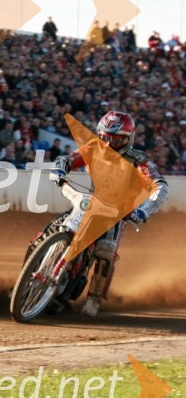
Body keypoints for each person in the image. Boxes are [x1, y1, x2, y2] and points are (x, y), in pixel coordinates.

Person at [50, 111, 169, 317]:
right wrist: (60, 168)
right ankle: (31, 270)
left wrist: (143, 210)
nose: (108, 143)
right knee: (52, 230)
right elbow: (69, 158)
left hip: (117, 214)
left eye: (115, 139)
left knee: (105, 251)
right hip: (89, 203)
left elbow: (160, 186)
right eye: (105, 137)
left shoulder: (138, 160)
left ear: (128, 139)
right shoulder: (94, 148)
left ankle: (94, 300)